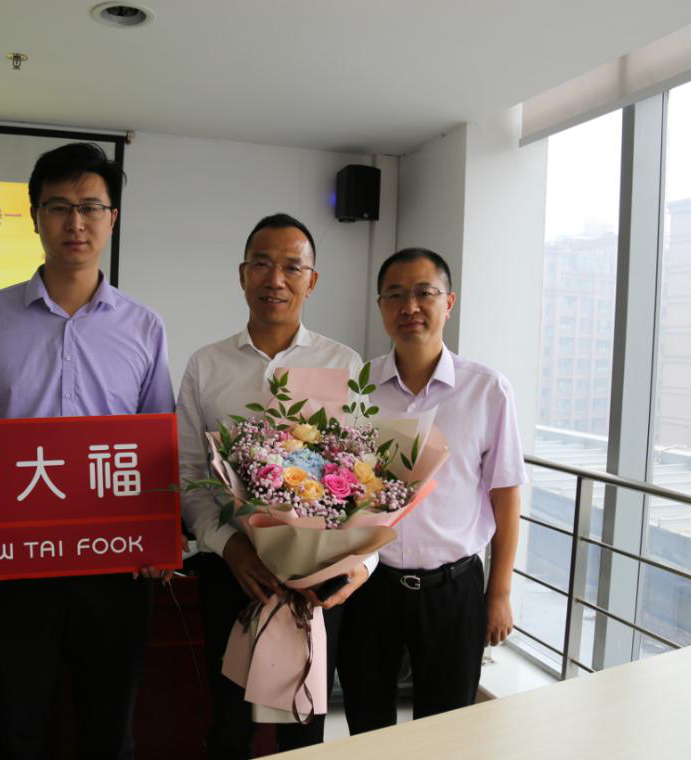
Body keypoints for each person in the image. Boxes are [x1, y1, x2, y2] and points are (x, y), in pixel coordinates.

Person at [0, 142, 174, 760]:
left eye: (91, 207)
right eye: (59, 206)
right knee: (18, 730)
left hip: (115, 562)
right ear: (34, 215)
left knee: (109, 731)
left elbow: (159, 441)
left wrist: (160, 537)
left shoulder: (144, 326)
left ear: (112, 218)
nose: (76, 222)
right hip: (13, 559)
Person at [178, 213, 371, 758]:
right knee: (229, 725)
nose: (275, 279)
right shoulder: (206, 365)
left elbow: (368, 480)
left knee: (304, 729)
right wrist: (231, 547)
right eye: (262, 264)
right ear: (242, 275)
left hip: (319, 580)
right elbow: (189, 477)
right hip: (232, 574)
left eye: (292, 267)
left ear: (313, 281)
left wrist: (360, 563)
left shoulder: (343, 363)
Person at [337, 247, 525, 730]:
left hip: (453, 588)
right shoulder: (356, 388)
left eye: (425, 293)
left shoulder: (487, 390)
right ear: (380, 307)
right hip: (370, 587)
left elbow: (506, 494)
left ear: (449, 302)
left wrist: (500, 592)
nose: (410, 307)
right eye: (395, 295)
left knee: (446, 732)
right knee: (367, 725)